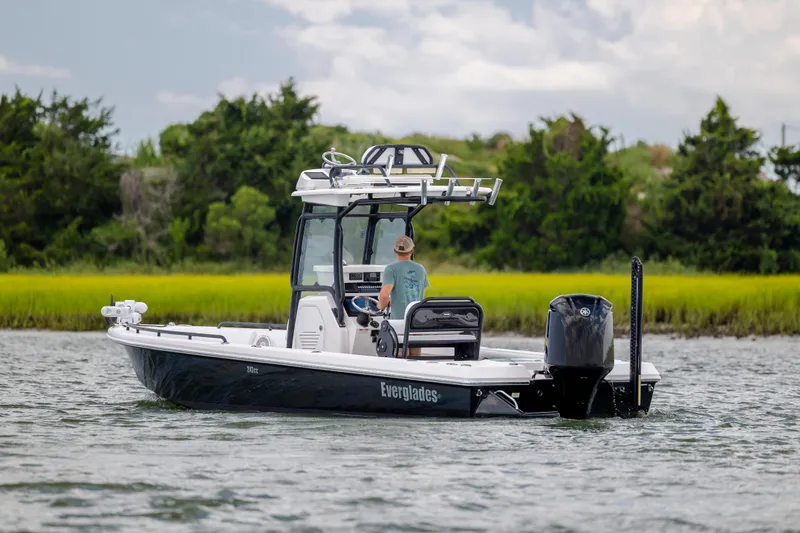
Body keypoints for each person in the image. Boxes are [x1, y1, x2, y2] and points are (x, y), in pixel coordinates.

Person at [378, 236, 429, 355]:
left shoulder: (391, 269)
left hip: (399, 321)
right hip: (417, 320)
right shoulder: (420, 269)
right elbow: (419, 292)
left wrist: (380, 305)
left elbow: (384, 295)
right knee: (415, 356)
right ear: (411, 251)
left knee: (399, 354)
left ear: (395, 251)